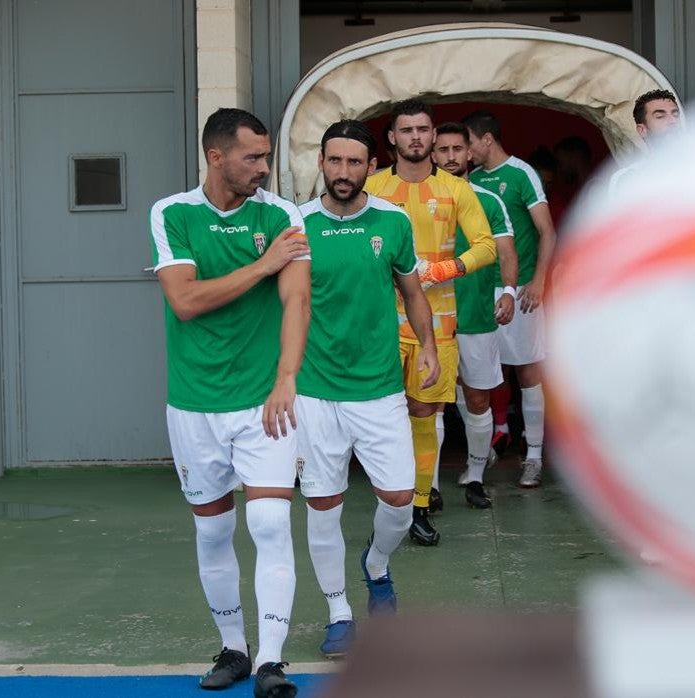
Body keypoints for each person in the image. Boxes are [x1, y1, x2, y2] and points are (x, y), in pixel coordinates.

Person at [149, 108, 310, 698]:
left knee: (269, 521)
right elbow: (185, 300)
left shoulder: (282, 215)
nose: (264, 169)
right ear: (215, 157)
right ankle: (234, 649)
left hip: (264, 400)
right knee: (214, 533)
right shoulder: (172, 213)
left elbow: (295, 301)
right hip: (193, 404)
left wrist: (286, 378)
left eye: (266, 157)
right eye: (253, 158)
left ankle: (270, 662)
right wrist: (262, 265)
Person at [295, 119, 438, 658]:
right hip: (315, 390)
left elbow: (413, 292)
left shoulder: (393, 223)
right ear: (321, 164)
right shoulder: (298, 225)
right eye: (335, 161)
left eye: (355, 162)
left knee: (400, 500)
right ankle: (339, 612)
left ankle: (376, 565)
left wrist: (425, 345)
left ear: (372, 167)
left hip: (378, 388)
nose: (343, 172)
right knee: (323, 505)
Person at [365, 98, 497, 545]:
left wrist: (446, 269)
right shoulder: (373, 186)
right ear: (392, 138)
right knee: (381, 418)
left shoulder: (458, 190)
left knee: (424, 414)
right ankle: (390, 505)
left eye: (424, 130)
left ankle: (420, 506)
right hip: (378, 323)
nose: (417, 138)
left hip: (436, 326)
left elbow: (486, 245)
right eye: (407, 130)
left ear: (433, 136)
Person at [463, 110, 557, 488]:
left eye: (468, 143)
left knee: (527, 370)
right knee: (480, 373)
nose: (464, 153)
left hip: (520, 291)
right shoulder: (469, 182)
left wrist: (538, 282)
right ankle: (484, 452)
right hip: (480, 293)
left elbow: (546, 231)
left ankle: (533, 454)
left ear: (487, 140)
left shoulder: (521, 174)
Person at [432, 121, 519, 508]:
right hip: (428, 319)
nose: (450, 157)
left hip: (476, 315)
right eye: (443, 150)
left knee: (479, 400)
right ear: (432, 154)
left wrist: (510, 292)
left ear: (470, 153)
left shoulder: (488, 200)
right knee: (428, 403)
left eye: (457, 149)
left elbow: (505, 252)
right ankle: (428, 486)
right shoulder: (420, 197)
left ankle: (476, 476)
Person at [608, 89, 682, 192]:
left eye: (676, 115)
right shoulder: (627, 179)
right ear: (642, 130)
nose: (673, 121)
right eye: (660, 116)